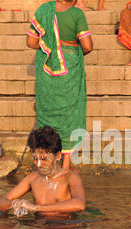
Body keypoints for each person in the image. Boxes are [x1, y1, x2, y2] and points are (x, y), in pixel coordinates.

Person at [26, 0, 93, 170]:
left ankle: (45, 161)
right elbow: (87, 46)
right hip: (69, 69)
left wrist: (51, 48)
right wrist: (70, 52)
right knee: (70, 114)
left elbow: (31, 42)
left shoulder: (43, 10)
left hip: (46, 72)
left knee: (47, 111)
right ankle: (66, 165)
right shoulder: (77, 14)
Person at [0, 126, 86, 218]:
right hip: (38, 227)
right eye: (35, 159)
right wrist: (15, 204)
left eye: (44, 159)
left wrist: (35, 207)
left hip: (63, 228)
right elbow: (0, 203)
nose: (38, 164)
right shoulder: (33, 177)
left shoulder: (70, 177)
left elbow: (80, 204)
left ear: (58, 156)